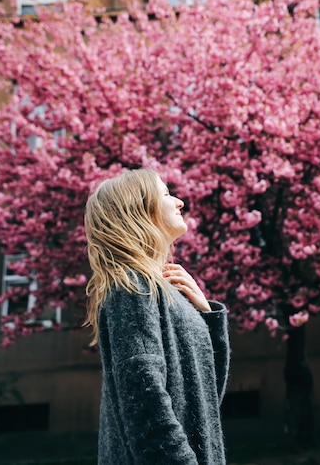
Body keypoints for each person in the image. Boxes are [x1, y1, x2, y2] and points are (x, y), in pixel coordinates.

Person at [84, 167, 230, 465]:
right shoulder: (132, 287)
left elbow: (207, 401)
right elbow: (147, 406)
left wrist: (206, 315)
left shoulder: (162, 290)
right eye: (165, 194)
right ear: (138, 211)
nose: (180, 202)